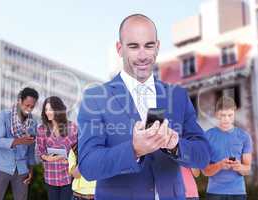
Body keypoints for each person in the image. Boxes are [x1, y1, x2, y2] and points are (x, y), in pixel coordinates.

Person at [77, 14, 211, 200]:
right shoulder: (95, 98)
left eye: (148, 46)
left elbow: (203, 154)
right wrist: (134, 150)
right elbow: (88, 166)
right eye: (133, 46)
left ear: (157, 47)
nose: (142, 56)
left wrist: (175, 145)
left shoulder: (177, 96)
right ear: (120, 48)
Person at [0, 87, 39, 200]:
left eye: (32, 107)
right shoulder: (3, 116)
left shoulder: (33, 123)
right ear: (20, 101)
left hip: (22, 170)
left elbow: (31, 149)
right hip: (2, 167)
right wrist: (20, 141)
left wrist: (30, 169)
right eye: (27, 105)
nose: (29, 109)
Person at [203, 96, 252, 200]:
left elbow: (247, 169)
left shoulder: (244, 136)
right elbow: (205, 171)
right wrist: (220, 165)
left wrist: (239, 167)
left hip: (238, 193)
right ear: (217, 115)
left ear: (234, 113)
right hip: (214, 193)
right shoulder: (207, 136)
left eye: (230, 115)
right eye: (223, 115)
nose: (227, 119)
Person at [36, 96, 77, 200]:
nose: (48, 112)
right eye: (46, 109)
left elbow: (78, 151)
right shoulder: (42, 129)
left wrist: (69, 160)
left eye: (51, 109)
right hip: (51, 175)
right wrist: (47, 158)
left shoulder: (72, 127)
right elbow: (40, 151)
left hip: (68, 175)